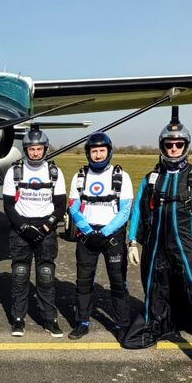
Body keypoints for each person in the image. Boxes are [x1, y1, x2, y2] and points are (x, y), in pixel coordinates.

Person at [121, 112, 192, 372]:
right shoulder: (151, 178)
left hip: (188, 247)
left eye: (178, 144)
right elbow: (137, 210)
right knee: (155, 287)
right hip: (157, 248)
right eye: (169, 144)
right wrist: (133, 241)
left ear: (186, 146)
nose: (173, 149)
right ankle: (155, 325)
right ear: (162, 145)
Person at [67, 132, 133, 341]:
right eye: (93, 151)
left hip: (111, 235)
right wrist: (88, 231)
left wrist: (104, 232)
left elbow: (125, 210)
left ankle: (121, 324)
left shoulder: (121, 176)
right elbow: (74, 208)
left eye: (101, 151)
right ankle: (82, 322)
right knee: (83, 281)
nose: (97, 155)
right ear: (88, 153)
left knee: (117, 281)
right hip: (88, 236)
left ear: (109, 151)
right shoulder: (79, 176)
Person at [3, 124, 67, 338]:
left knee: (46, 275)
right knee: (20, 274)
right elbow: (9, 205)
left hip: (45, 228)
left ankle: (50, 318)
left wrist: (47, 226)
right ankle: (18, 319)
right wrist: (23, 227)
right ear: (26, 149)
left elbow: (60, 205)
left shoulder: (55, 172)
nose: (35, 152)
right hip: (21, 227)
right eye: (31, 149)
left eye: (39, 148)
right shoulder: (15, 171)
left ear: (45, 149)